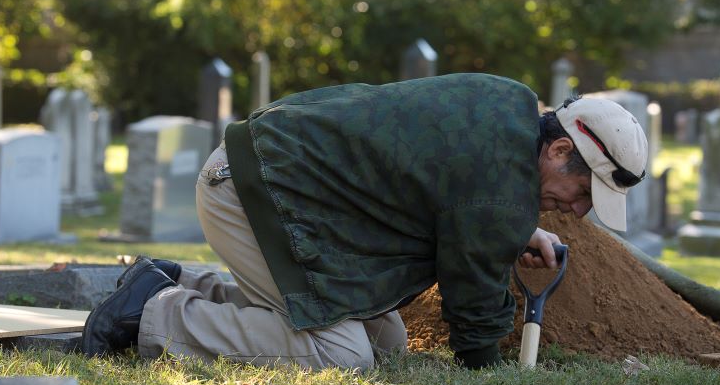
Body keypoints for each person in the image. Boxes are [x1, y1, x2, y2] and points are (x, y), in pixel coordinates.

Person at [82, 74, 648, 369]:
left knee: (386, 342)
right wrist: (487, 370)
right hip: (254, 192)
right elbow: (473, 303)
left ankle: (173, 281)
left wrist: (514, 227)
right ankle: (156, 316)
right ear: (556, 153)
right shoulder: (499, 186)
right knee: (343, 356)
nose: (578, 212)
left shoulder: (508, 109)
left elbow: (449, 187)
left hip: (275, 180)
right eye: (582, 193)